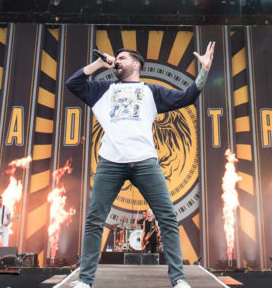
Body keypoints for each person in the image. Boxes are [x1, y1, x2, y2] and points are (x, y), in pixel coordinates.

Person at [66, 43, 214, 288]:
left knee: (167, 217)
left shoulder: (150, 91)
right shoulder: (104, 89)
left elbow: (189, 96)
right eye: (117, 58)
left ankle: (178, 280)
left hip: (145, 161)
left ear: (136, 65)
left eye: (122, 58)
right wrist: (100, 64)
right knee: (94, 220)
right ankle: (85, 281)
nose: (118, 60)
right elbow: (73, 84)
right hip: (110, 162)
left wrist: (204, 71)